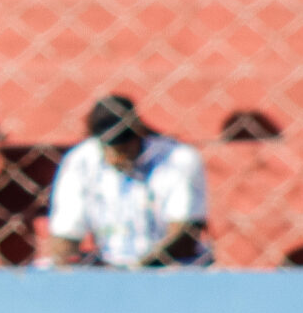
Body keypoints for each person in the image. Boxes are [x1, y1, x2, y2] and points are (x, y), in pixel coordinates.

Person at [43, 96, 210, 268]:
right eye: (111, 148)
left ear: (139, 133)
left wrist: (135, 270)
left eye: (125, 146)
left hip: (169, 266)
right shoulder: (80, 161)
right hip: (108, 267)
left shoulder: (178, 158)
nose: (118, 157)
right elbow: (65, 235)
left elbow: (185, 236)